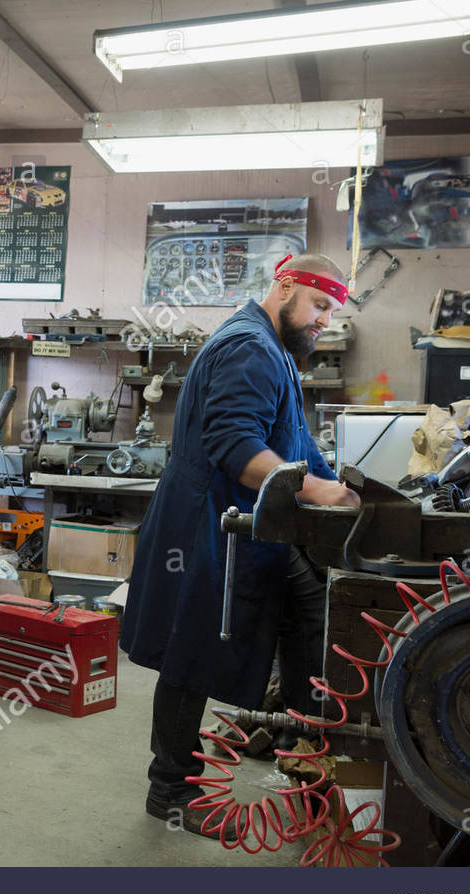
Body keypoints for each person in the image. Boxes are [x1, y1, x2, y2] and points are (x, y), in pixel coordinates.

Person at [120, 253, 362, 838]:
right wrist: (317, 492)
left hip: (245, 528)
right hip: (207, 527)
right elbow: (237, 447)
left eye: (333, 310)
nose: (326, 320)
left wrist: (345, 488)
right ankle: (170, 791)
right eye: (321, 305)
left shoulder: (273, 349)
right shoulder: (249, 347)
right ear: (285, 288)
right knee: (193, 652)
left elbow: (296, 441)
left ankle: (301, 750)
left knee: (307, 617)